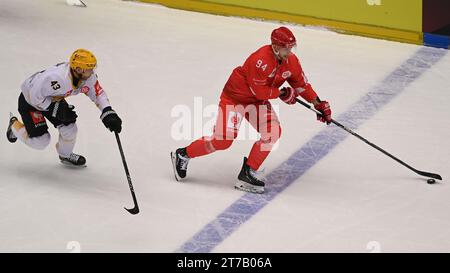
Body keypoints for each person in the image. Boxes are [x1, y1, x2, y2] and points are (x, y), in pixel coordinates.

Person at [171, 26, 332, 193]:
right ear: (276, 47)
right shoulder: (260, 59)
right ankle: (183, 154)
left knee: (273, 131)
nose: (290, 51)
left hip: (257, 102)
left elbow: (301, 85)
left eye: (292, 47)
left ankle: (248, 172)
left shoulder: (291, 61)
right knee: (223, 141)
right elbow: (260, 91)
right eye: (287, 48)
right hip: (235, 98)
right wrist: (283, 93)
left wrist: (317, 103)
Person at [6, 49, 122, 167]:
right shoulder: (57, 78)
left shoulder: (87, 77)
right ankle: (14, 126)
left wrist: (107, 111)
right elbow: (33, 96)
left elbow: (98, 93)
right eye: (89, 68)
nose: (92, 72)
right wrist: (52, 108)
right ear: (78, 69)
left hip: (53, 99)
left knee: (70, 128)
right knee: (41, 141)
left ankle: (65, 155)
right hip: (30, 101)